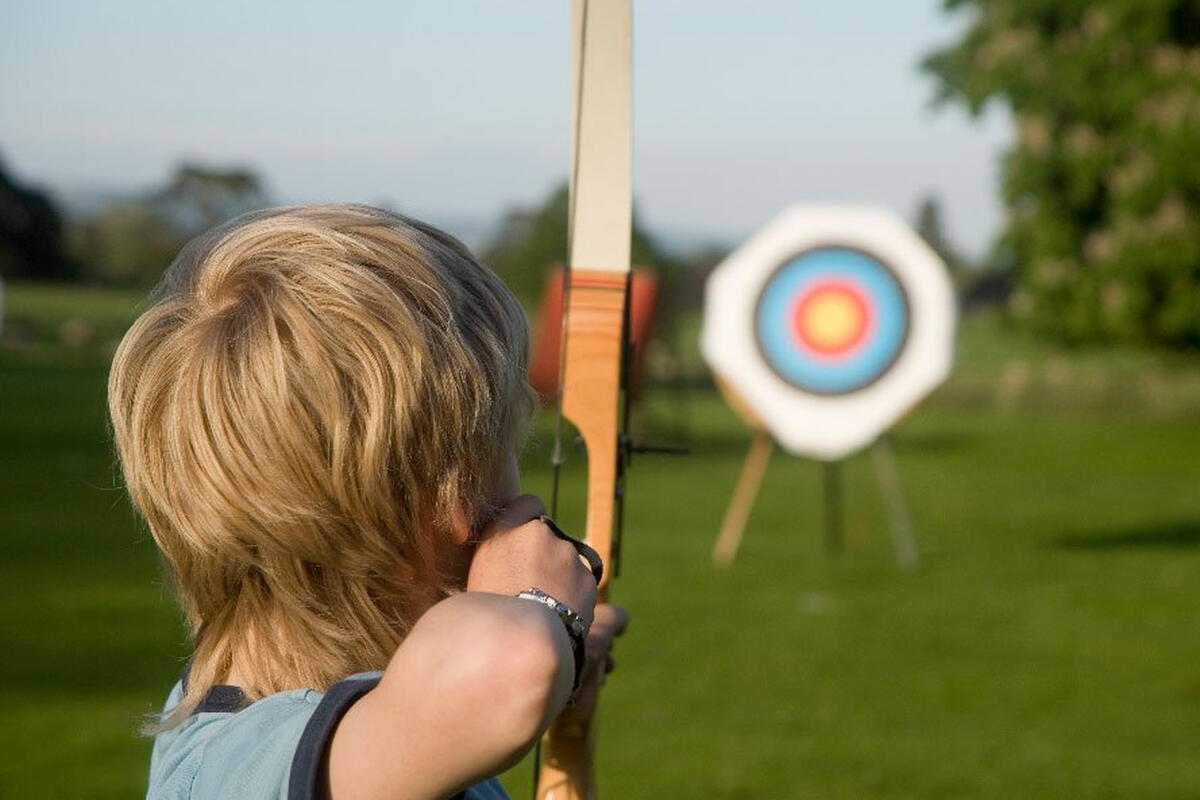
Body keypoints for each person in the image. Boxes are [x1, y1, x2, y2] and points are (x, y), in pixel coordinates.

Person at [108, 204, 629, 799]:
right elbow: (514, 669)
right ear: (452, 496)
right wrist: (546, 615)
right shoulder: (246, 767)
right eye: (506, 450)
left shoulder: (366, 732)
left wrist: (561, 660)